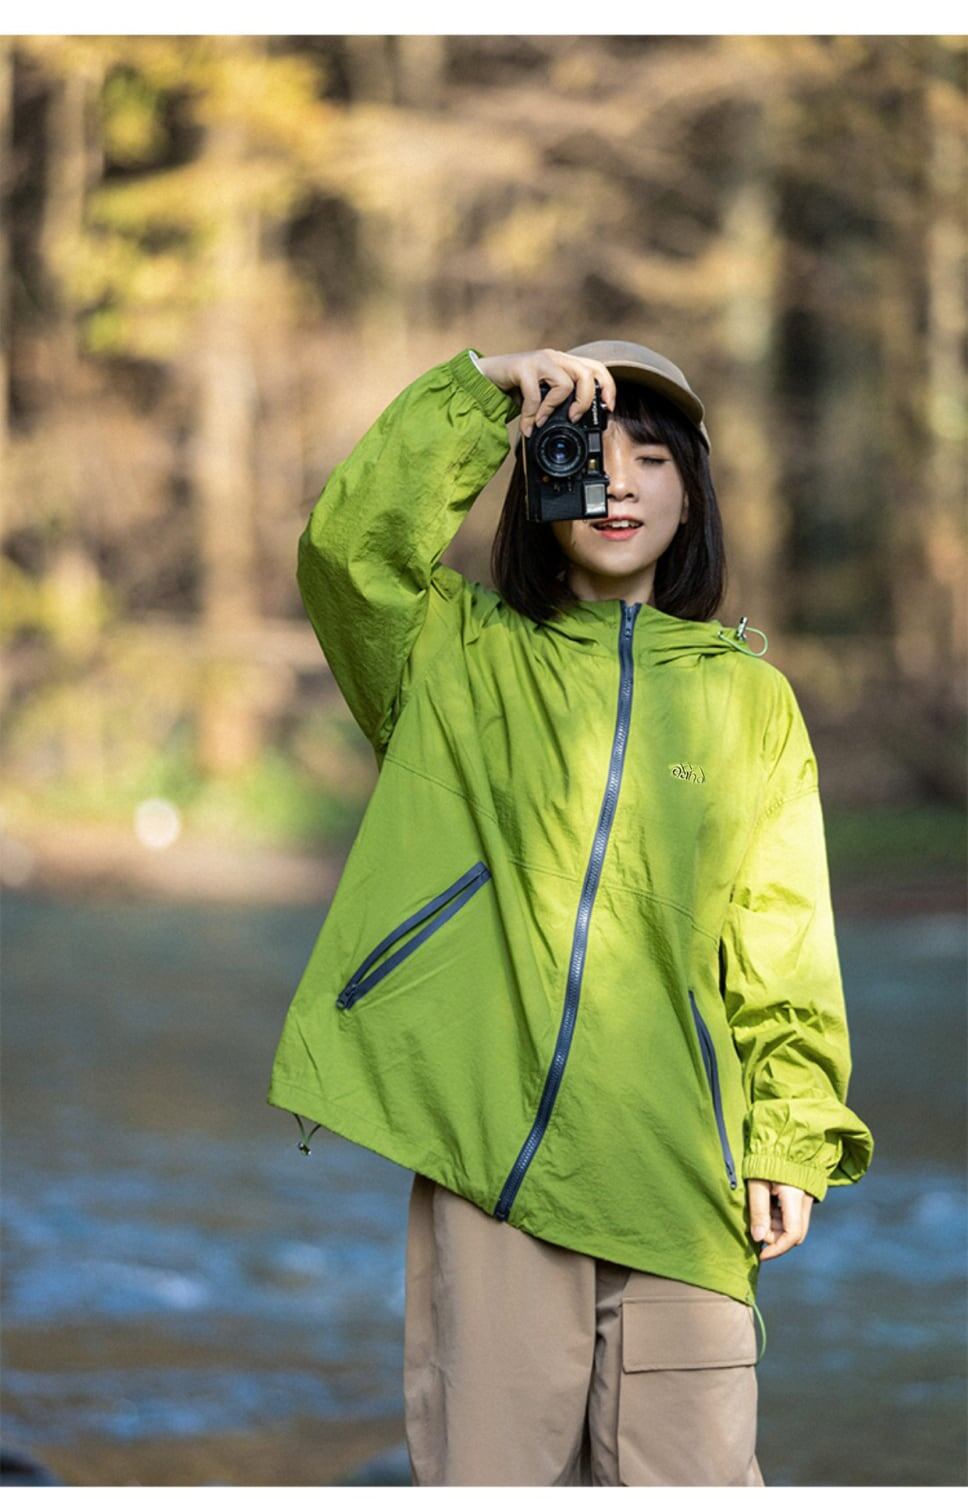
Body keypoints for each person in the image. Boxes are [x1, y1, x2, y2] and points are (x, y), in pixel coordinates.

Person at [266, 342, 874, 1485]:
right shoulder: (453, 656)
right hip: (490, 1176)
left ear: (691, 493)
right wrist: (480, 391)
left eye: (652, 457)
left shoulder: (750, 702)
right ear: (538, 480)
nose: (618, 482)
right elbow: (348, 554)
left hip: (681, 1185)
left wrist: (789, 1134)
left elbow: (780, 939)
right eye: (585, 453)